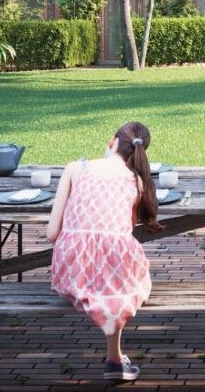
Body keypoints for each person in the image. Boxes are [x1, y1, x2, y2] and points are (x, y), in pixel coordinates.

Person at [48, 121, 159, 382]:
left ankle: (114, 357)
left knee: (105, 265)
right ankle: (114, 354)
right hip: (114, 264)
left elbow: (52, 233)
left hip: (73, 265)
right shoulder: (137, 181)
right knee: (116, 266)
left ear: (112, 140)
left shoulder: (77, 168)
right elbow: (123, 228)